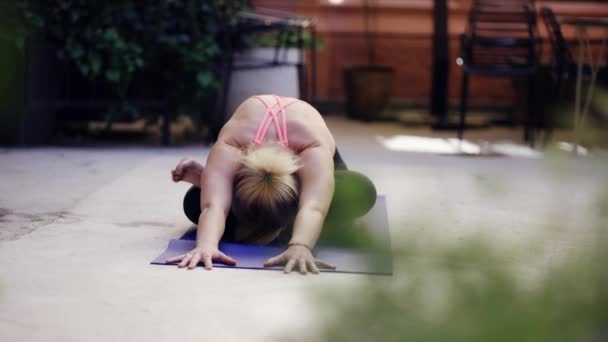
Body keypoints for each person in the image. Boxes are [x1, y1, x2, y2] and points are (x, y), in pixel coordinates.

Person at [166, 95, 376, 274]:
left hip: (312, 159)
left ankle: (212, 180)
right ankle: (214, 180)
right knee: (195, 203)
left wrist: (300, 245)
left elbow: (313, 207)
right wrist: (205, 245)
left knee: (359, 191)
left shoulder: (312, 146)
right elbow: (214, 206)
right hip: (247, 155)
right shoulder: (233, 144)